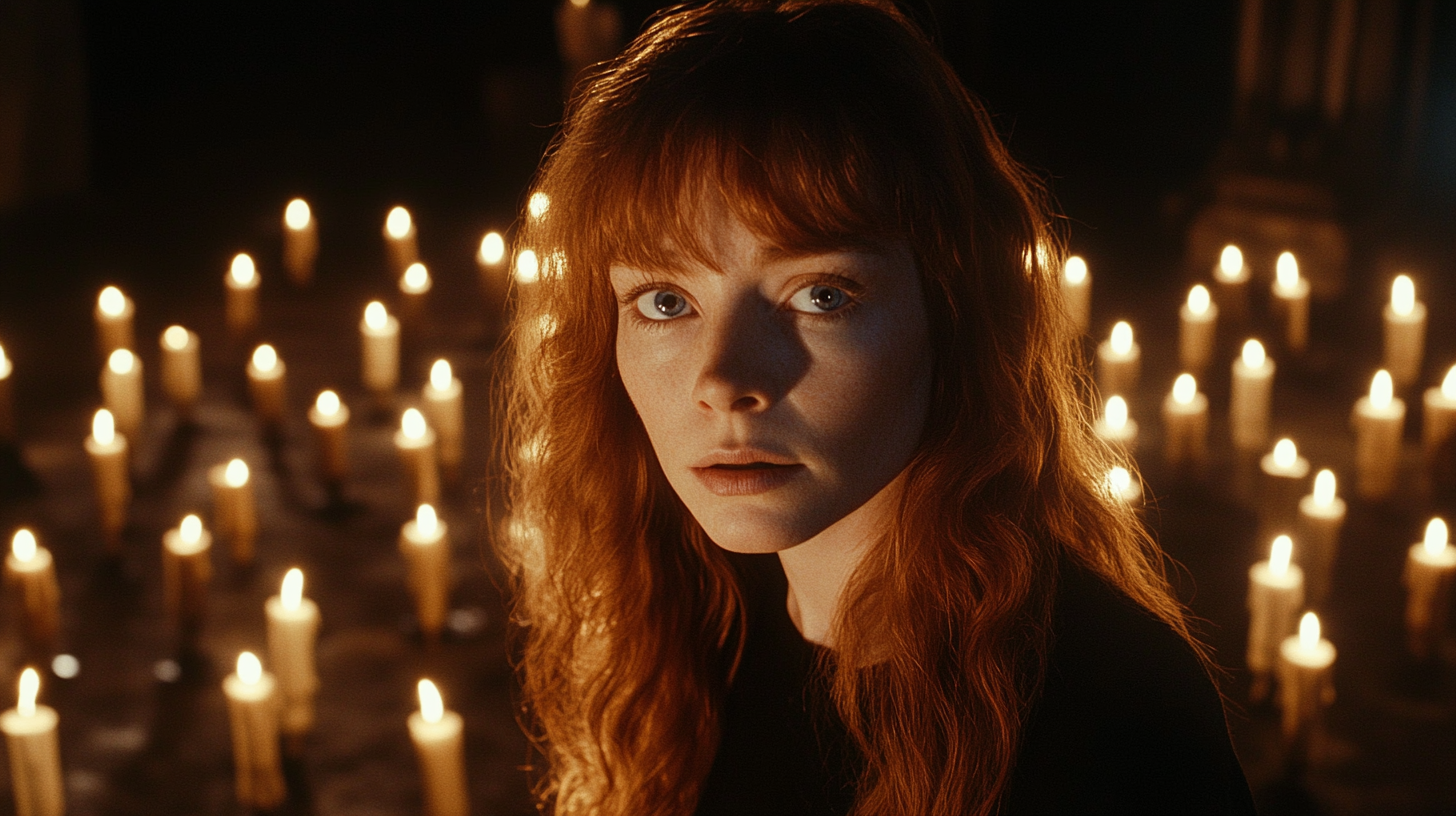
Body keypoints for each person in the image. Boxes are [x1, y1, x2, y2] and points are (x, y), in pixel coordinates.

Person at [496, 2, 1256, 814]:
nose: (725, 380)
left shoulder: (1112, 725)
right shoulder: (691, 629)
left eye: (820, 294)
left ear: (952, 311)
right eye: (665, 301)